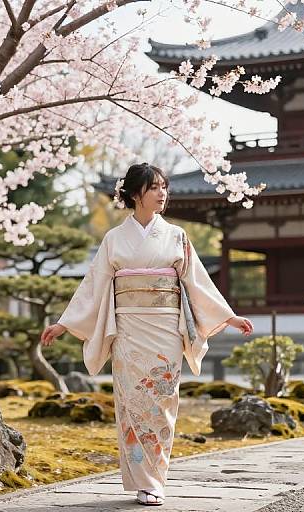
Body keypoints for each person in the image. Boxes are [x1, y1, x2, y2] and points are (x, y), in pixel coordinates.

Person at [40, 163, 253, 506]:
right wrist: (65, 323)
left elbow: (197, 282)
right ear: (135, 193)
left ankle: (156, 479)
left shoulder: (176, 236)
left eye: (164, 187)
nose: (163, 193)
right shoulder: (113, 239)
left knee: (162, 403)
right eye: (155, 187)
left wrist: (227, 316)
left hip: (166, 330)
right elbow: (93, 286)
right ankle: (143, 479)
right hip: (128, 331)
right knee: (132, 405)